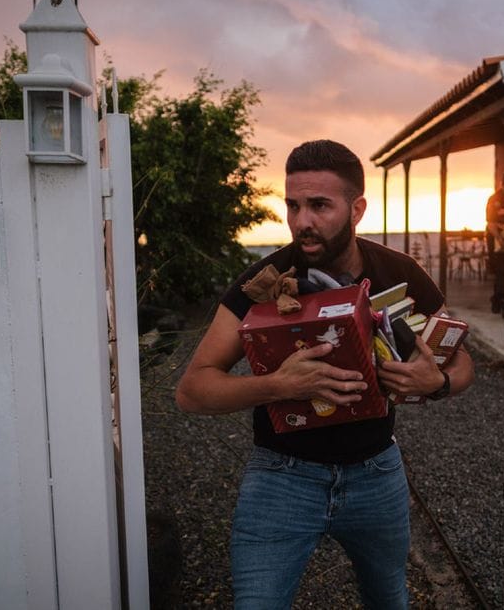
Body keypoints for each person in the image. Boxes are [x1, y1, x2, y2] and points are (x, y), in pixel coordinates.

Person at [175, 139, 475, 609]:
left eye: (319, 206)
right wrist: (279, 385)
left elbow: (461, 361)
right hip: (281, 477)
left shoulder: (400, 272)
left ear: (357, 209)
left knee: (389, 599)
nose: (301, 222)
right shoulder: (263, 281)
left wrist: (436, 383)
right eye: (292, 205)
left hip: (377, 473)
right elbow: (192, 390)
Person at [485, 184, 504, 314]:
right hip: (498, 243)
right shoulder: (495, 199)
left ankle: (501, 299)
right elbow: (490, 223)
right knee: (501, 272)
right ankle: (498, 300)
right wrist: (500, 239)